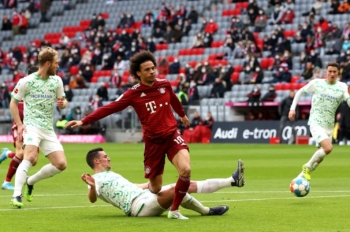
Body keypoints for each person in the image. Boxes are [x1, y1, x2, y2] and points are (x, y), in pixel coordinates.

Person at [67, 51, 241, 220]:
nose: (152, 72)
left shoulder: (164, 84)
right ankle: (183, 204)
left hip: (172, 135)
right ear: (138, 73)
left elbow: (173, 98)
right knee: (156, 187)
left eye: (153, 68)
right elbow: (110, 108)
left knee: (186, 170)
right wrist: (84, 121)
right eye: (147, 70)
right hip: (153, 143)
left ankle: (175, 210)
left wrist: (181, 114)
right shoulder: (132, 94)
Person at [82, 147, 245, 217]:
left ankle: (232, 181)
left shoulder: (111, 174)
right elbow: (92, 198)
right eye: (105, 156)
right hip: (138, 207)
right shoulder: (95, 180)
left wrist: (149, 185)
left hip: (145, 196)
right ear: (96, 161)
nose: (108, 158)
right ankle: (206, 211)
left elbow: (132, 187)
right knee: (177, 188)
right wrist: (91, 186)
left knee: (187, 183)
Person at [9, 47, 68, 208]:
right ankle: (16, 195)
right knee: (30, 157)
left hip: (48, 129)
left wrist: (63, 104)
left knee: (61, 164)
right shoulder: (26, 81)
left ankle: (30, 181)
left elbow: (63, 101)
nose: (58, 66)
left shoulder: (57, 81)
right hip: (32, 126)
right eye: (56, 63)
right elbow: (13, 102)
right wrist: (20, 125)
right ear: (48, 63)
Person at [289, 62, 350, 181]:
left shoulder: (342, 86)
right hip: (316, 121)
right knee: (328, 148)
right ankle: (306, 167)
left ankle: (298, 179)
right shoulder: (317, 83)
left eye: (334, 72)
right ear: (326, 72)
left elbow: (348, 100)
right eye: (330, 71)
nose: (332, 74)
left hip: (329, 125)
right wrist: (292, 109)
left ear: (338, 73)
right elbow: (300, 92)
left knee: (320, 156)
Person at [0, 66, 39, 190]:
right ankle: (7, 182)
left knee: (33, 160)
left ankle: (7, 154)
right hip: (20, 124)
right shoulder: (23, 85)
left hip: (33, 127)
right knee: (21, 154)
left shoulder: (40, 89)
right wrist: (19, 123)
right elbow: (14, 104)